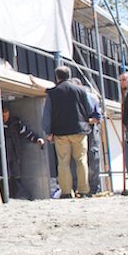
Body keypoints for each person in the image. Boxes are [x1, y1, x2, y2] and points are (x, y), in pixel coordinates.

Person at [42, 66, 94, 198]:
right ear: (69, 75)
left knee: (63, 162)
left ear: (57, 77)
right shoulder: (81, 90)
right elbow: (89, 109)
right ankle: (83, 190)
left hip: (60, 132)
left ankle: (66, 192)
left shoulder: (52, 93)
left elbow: (47, 113)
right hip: (79, 130)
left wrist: (47, 131)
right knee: (81, 160)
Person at [0, 104, 45, 199]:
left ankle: (17, 195)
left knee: (16, 175)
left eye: (6, 114)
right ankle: (5, 196)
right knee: (4, 175)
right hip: (0, 155)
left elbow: (26, 132)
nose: (4, 117)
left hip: (14, 153)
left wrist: (37, 139)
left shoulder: (15, 123)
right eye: (2, 115)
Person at [73, 78, 104, 195]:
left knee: (92, 156)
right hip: (77, 131)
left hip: (90, 131)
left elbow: (96, 118)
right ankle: (79, 187)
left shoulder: (90, 96)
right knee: (77, 159)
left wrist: (83, 121)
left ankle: (93, 188)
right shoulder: (72, 99)